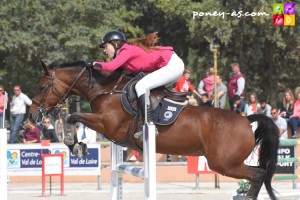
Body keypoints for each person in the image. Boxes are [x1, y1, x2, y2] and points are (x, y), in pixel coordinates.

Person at [92, 31, 184, 137]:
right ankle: (160, 119)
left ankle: (149, 124)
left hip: (172, 65)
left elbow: (111, 67)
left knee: (141, 86)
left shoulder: (126, 49)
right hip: (172, 66)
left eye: (105, 46)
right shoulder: (125, 56)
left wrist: (93, 64)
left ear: (116, 43)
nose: (104, 50)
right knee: (147, 89)